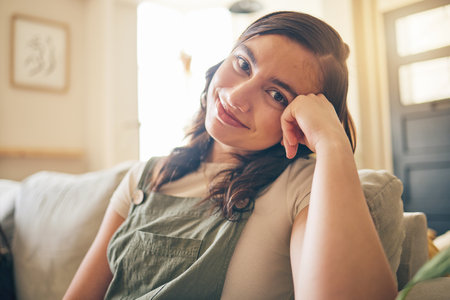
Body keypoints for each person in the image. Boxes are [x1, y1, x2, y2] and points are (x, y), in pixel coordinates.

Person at [64, 11, 397, 300]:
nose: (237, 96)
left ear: (300, 115)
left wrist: (331, 141)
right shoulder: (145, 175)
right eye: (243, 64)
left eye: (277, 95)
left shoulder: (302, 187)